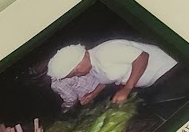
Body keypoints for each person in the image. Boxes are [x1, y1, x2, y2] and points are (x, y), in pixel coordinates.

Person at [47, 39, 178, 110]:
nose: (77, 76)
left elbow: (142, 57)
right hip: (156, 82)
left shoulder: (106, 51)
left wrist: (127, 89)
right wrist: (93, 93)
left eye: (73, 73)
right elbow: (107, 79)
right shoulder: (93, 67)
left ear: (78, 65)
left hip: (171, 72)